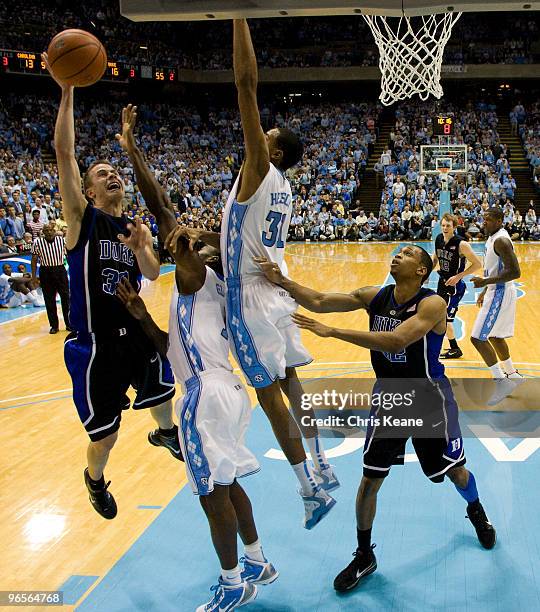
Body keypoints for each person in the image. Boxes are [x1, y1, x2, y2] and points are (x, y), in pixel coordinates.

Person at [256, 243, 496, 593]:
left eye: (409, 254)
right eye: (398, 251)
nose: (398, 255)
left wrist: (333, 332)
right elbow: (321, 301)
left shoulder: (433, 303)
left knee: (455, 472)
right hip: (390, 398)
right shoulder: (375, 295)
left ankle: (476, 509)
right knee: (370, 480)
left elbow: (397, 340)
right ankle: (364, 554)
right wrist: (282, 282)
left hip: (429, 399)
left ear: (421, 271)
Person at [115, 105, 276, 612]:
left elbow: (160, 205)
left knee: (211, 498)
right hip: (223, 388)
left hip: (203, 398)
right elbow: (170, 348)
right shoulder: (219, 283)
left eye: (193, 243)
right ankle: (257, 561)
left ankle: (233, 583)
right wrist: (142, 316)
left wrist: (132, 149)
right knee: (227, 485)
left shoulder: (193, 271)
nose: (183, 239)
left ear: (204, 255)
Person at [197, 19, 337, 529]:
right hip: (273, 291)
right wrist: (207, 238)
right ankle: (322, 464)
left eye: (267, 134)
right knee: (292, 379)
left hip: (251, 299)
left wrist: (237, 14)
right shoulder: (283, 186)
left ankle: (310, 490)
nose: (260, 131)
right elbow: (248, 239)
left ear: (271, 151)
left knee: (268, 390)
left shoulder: (258, 166)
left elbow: (245, 85)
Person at [43, 52, 179, 521]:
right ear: (88, 188)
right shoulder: (82, 220)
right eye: (101, 172)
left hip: (134, 332)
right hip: (95, 344)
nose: (111, 173)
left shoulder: (132, 226)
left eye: (113, 170)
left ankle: (165, 433)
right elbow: (64, 153)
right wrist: (67, 88)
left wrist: (145, 249)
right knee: (105, 435)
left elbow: (154, 274)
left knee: (164, 397)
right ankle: (95, 479)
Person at [470, 207, 523, 406]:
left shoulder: (501, 240)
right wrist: (486, 289)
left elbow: (515, 272)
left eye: (489, 219)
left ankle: (502, 381)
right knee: (494, 336)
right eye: (484, 219)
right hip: (496, 291)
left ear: (500, 220)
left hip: (500, 293)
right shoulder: (492, 237)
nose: (485, 222)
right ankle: (512, 374)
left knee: (477, 338)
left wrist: (485, 283)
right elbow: (495, 268)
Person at [433, 213, 482, 358]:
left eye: (448, 225)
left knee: (445, 319)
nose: (445, 228)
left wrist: (458, 276)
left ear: (454, 227)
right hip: (442, 283)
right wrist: (425, 274)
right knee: (440, 317)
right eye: (443, 225)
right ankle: (453, 347)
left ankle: (454, 348)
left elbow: (477, 264)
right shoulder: (438, 239)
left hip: (455, 288)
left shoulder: (461, 244)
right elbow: (435, 258)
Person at [31, 223, 71, 334]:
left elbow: (68, 255)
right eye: (46, 230)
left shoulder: (62, 240)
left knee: (66, 298)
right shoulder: (37, 242)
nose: (49, 232)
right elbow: (34, 260)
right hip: (45, 271)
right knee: (49, 300)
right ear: (43, 232)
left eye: (51, 230)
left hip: (60, 270)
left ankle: (69, 324)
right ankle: (54, 326)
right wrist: (34, 277)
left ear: (54, 231)